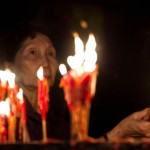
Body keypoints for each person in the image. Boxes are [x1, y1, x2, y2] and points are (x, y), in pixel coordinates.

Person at [1, 22, 150, 142]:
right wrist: (119, 132)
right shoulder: (7, 120)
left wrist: (127, 134)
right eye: (32, 52)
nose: (45, 62)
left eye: (50, 53)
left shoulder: (61, 125)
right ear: (9, 65)